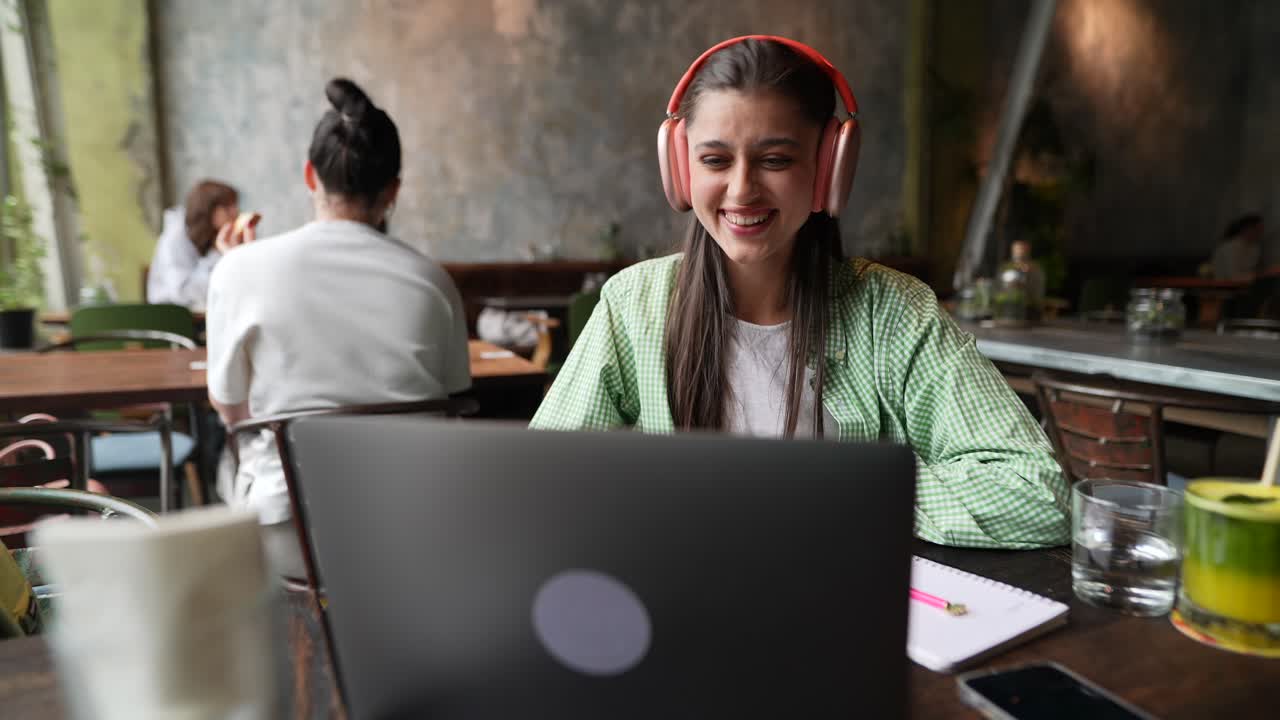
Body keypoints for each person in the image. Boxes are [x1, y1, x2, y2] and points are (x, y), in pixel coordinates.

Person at [530, 36, 1069, 549]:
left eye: (775, 160)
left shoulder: (896, 313)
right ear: (680, 168)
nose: (742, 190)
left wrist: (835, 491)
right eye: (715, 160)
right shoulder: (635, 306)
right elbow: (541, 481)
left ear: (828, 168)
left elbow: (1040, 492)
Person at [205, 78, 472, 576]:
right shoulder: (432, 281)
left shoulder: (239, 270)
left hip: (290, 535)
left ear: (311, 176)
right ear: (393, 190)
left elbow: (230, 408)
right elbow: (453, 397)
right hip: (411, 527)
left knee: (233, 463)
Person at [147, 180, 240, 308]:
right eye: (228, 207)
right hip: (173, 317)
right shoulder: (174, 240)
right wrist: (219, 253)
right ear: (209, 210)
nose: (236, 212)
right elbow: (183, 292)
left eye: (235, 205)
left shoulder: (215, 235)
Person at [1211, 214, 1264, 281]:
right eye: (1258, 230)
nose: (1261, 233)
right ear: (1246, 229)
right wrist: (1256, 276)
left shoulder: (1255, 248)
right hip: (1223, 287)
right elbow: (1232, 277)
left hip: (1245, 286)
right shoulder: (1229, 248)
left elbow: (1253, 270)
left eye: (1261, 230)